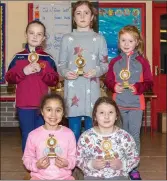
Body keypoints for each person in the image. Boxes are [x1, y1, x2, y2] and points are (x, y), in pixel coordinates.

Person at [104, 25, 153, 180]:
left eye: (130, 40)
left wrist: (138, 87)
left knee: (134, 136)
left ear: (136, 42)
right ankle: (119, 166)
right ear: (119, 42)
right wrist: (114, 86)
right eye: (123, 40)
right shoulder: (114, 62)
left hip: (136, 105)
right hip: (118, 105)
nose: (126, 43)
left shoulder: (143, 62)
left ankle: (133, 168)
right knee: (119, 137)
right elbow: (108, 80)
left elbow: (149, 82)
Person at [58, 0, 108, 141]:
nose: (82, 16)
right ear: (73, 18)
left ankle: (89, 161)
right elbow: (60, 65)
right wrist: (65, 72)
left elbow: (105, 65)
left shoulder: (99, 39)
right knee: (73, 131)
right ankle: (74, 161)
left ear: (92, 17)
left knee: (91, 131)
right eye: (78, 13)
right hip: (73, 90)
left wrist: (96, 71)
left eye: (86, 13)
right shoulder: (67, 39)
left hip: (92, 91)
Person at [5, 20, 59, 152]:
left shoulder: (48, 59)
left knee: (43, 136)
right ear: (26, 35)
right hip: (24, 105)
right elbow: (9, 78)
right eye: (32, 33)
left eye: (39, 34)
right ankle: (29, 167)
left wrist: (42, 71)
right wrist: (23, 71)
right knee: (28, 136)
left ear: (44, 38)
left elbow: (54, 80)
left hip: (43, 106)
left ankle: (42, 166)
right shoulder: (18, 58)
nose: (35, 36)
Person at [76, 96, 140, 180]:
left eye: (110, 112)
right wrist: (91, 164)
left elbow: (135, 158)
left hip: (118, 176)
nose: (106, 116)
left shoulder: (125, 137)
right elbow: (78, 158)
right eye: (102, 112)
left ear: (116, 115)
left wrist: (123, 165)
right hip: (93, 176)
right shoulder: (86, 137)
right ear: (95, 116)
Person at [22, 93, 76, 180]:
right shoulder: (33, 135)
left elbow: (73, 157)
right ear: (42, 112)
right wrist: (36, 165)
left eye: (58, 110)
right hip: (39, 177)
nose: (53, 115)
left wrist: (67, 163)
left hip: (64, 177)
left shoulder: (69, 134)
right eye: (49, 110)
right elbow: (27, 158)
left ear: (63, 113)